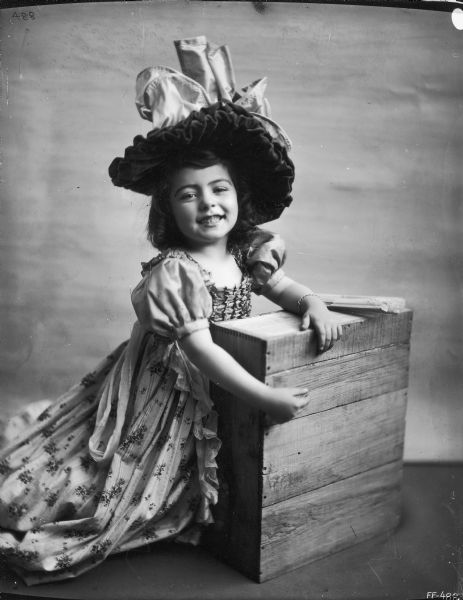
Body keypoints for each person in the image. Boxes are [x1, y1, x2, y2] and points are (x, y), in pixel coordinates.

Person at [0, 37, 342, 585]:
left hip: (218, 377)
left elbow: (283, 288)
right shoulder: (176, 270)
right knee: (111, 479)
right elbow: (200, 349)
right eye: (189, 195)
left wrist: (314, 303)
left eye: (219, 189)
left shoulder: (245, 251)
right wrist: (264, 397)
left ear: (239, 193)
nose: (208, 204)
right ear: (169, 208)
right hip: (168, 384)